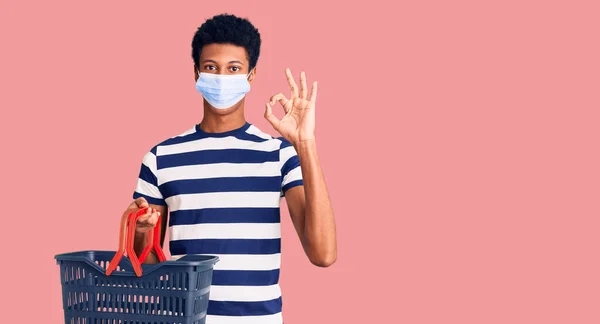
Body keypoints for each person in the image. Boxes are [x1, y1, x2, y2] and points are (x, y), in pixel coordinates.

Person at [123, 13, 337, 324]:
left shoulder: (279, 153)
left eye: (233, 68)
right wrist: (141, 236)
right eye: (211, 67)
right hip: (185, 318)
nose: (222, 77)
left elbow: (323, 254)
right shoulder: (160, 157)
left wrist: (306, 143)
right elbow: (149, 269)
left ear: (251, 76)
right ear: (196, 72)